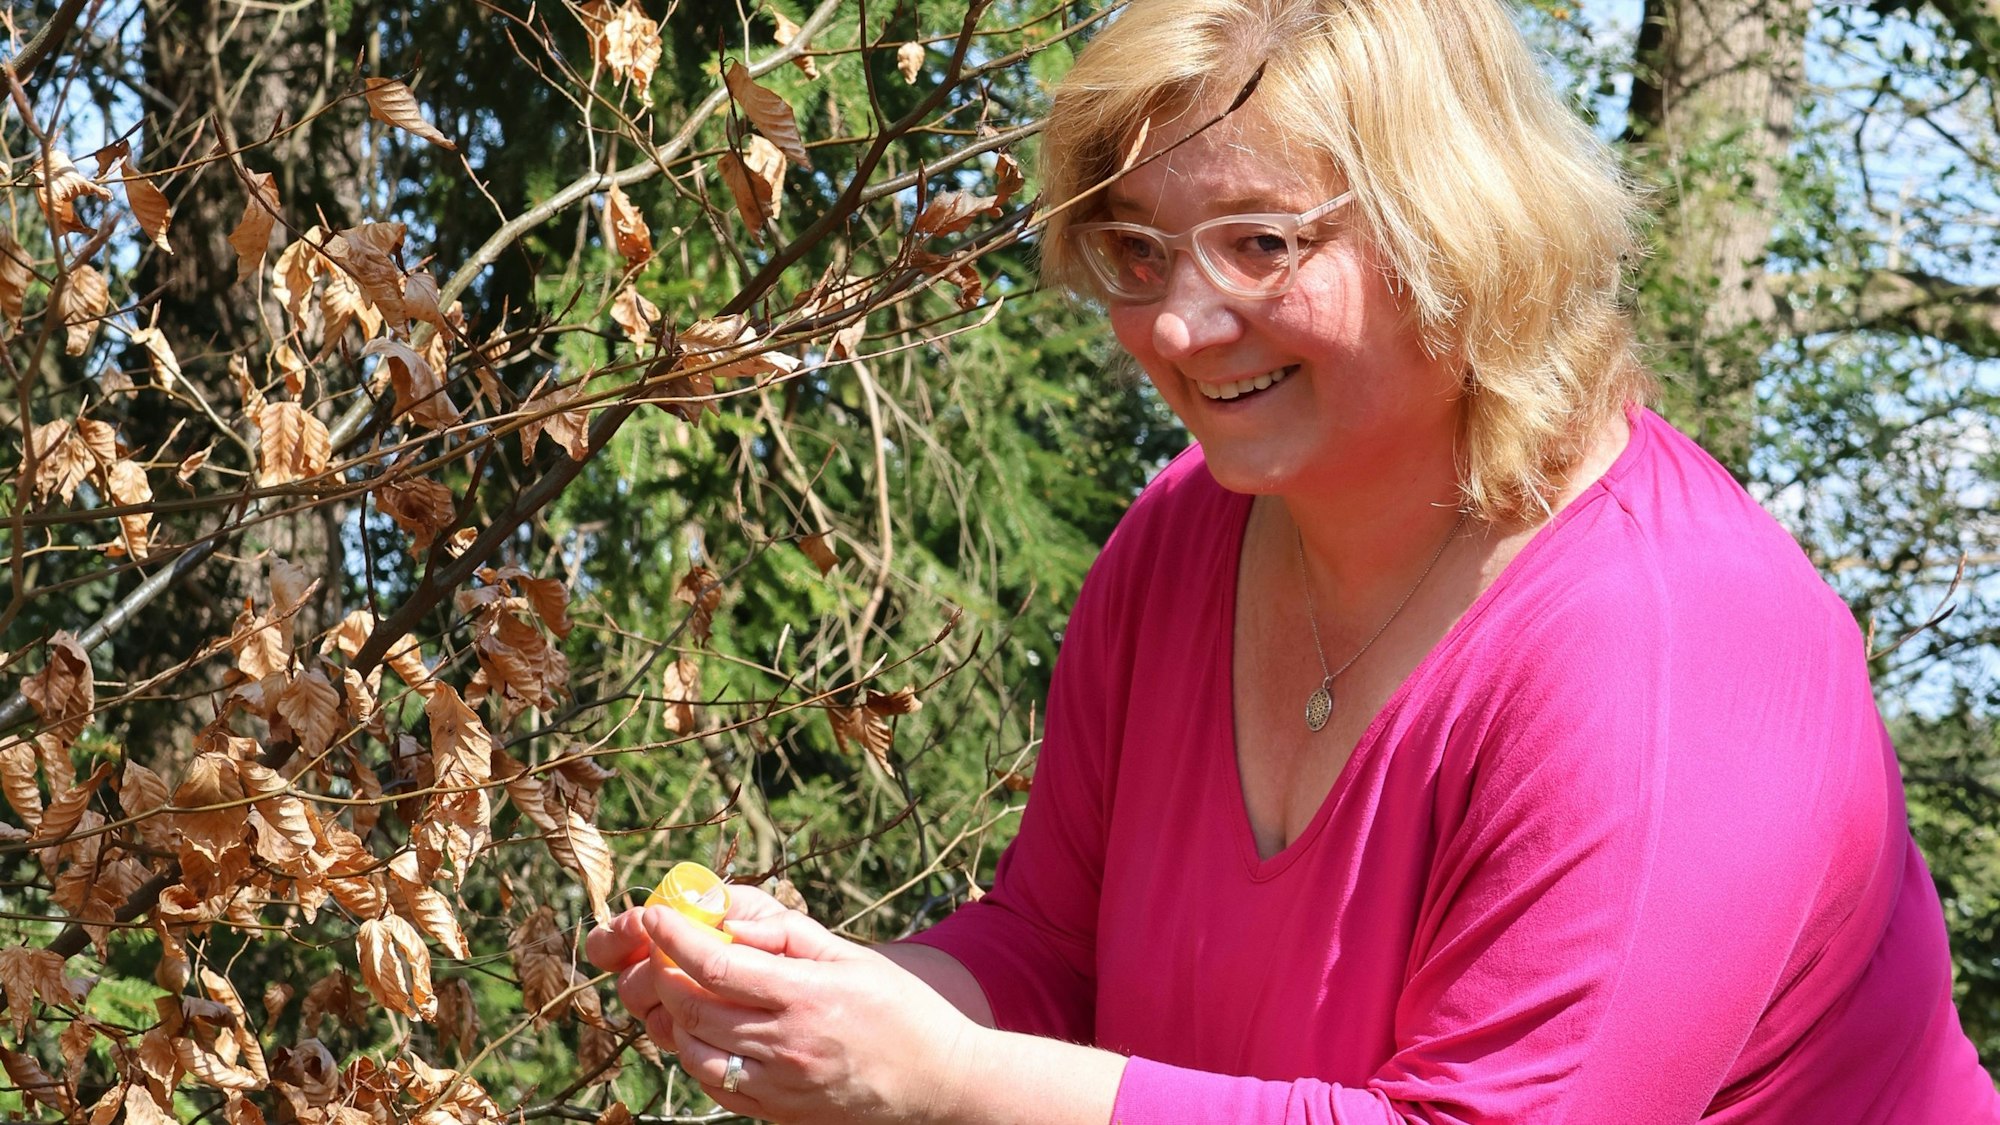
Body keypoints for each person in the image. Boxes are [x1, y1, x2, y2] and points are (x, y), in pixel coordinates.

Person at [586, 0, 2000, 1119]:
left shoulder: (1669, 642)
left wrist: (947, 1079)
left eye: (1261, 246)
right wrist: (824, 996)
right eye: (1134, 251)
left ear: (1454, 228)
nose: (1181, 327)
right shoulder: (1180, 545)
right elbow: (1056, 950)